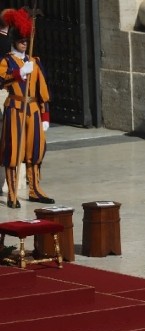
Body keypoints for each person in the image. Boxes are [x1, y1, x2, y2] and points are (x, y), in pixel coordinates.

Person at [0, 9, 52, 207]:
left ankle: (35, 190)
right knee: (13, 152)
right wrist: (19, 73)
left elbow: (43, 91)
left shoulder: (35, 61)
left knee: (35, 150)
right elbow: (0, 79)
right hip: (15, 107)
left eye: (26, 40)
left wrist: (45, 115)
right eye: (21, 40)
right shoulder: (6, 61)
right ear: (14, 40)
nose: (24, 43)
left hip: (33, 109)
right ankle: (13, 194)